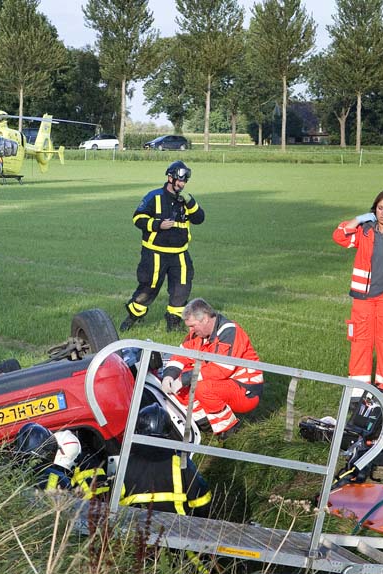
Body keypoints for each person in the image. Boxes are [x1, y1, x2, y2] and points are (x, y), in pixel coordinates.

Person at [332, 190, 383, 402]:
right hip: (364, 298)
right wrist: (357, 219)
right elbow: (339, 236)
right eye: (379, 208)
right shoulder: (364, 231)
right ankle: (358, 389)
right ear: (374, 209)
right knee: (360, 340)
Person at [121, 160, 205, 333]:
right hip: (155, 254)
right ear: (170, 178)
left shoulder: (185, 200)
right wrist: (158, 224)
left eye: (184, 181)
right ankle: (133, 316)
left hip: (180, 254)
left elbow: (199, 218)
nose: (182, 184)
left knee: (181, 290)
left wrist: (190, 202)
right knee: (148, 288)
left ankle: (173, 322)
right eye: (180, 180)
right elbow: (137, 218)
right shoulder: (154, 197)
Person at [160, 298, 263, 437]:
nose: (190, 330)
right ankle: (204, 424)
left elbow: (221, 369)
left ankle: (229, 430)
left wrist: (184, 379)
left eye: (192, 326)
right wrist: (168, 376)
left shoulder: (229, 331)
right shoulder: (197, 334)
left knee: (199, 386)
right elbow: (180, 356)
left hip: (246, 389)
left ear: (205, 320)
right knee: (182, 383)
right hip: (223, 383)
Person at [119, 403, 211, 515]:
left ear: (138, 427)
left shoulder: (125, 462)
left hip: (133, 526)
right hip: (176, 527)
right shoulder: (180, 461)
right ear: (168, 430)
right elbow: (202, 499)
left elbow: (112, 500)